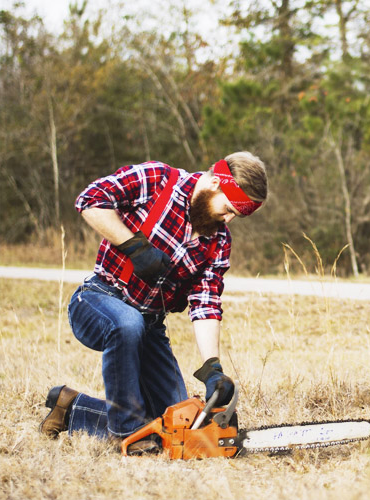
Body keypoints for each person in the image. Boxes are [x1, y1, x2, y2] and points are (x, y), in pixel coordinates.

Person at [39, 153, 268, 452]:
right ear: (214, 183)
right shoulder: (158, 180)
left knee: (178, 428)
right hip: (98, 299)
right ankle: (126, 436)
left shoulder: (219, 241)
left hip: (149, 326)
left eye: (237, 215)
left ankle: (70, 408)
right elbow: (90, 200)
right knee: (127, 324)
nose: (228, 220)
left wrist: (212, 367)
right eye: (228, 209)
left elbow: (206, 301)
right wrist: (133, 245)